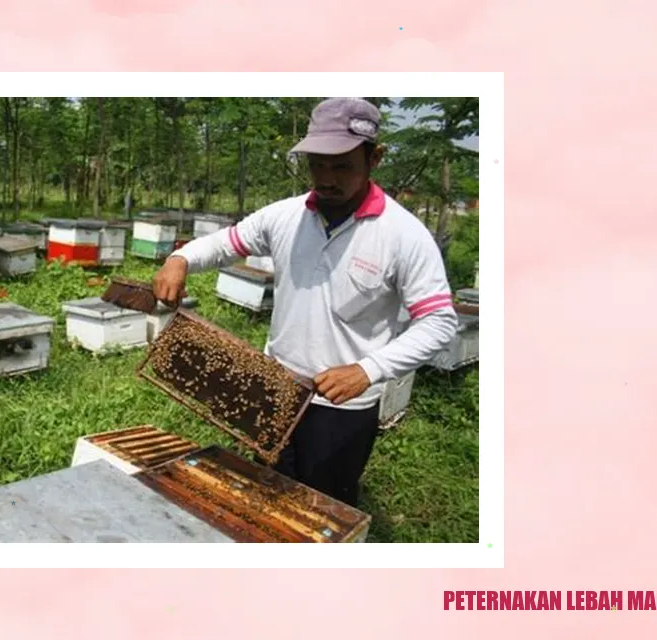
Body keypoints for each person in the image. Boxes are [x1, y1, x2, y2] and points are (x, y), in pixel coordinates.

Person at [151, 97, 459, 507]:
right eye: (317, 165)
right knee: (265, 492)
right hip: (273, 385)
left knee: (321, 507)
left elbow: (439, 321)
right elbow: (228, 243)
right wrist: (181, 258)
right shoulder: (285, 216)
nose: (326, 178)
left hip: (342, 405)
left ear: (375, 158)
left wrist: (368, 370)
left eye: (342, 166)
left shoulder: (403, 234)